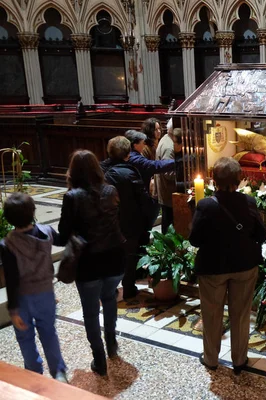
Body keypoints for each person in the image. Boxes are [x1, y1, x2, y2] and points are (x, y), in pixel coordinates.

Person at [189, 157, 266, 374]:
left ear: (214, 180)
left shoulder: (205, 205)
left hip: (212, 268)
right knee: (241, 314)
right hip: (244, 265)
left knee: (212, 315)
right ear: (239, 179)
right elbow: (262, 234)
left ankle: (211, 360)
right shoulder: (248, 202)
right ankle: (239, 360)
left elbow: (194, 239)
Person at [58, 150, 126, 376]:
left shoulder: (72, 197)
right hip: (115, 257)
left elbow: (63, 233)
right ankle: (112, 345)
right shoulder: (110, 190)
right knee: (109, 299)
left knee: (89, 311)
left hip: (88, 261)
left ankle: (99, 359)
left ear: (73, 171)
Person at [0, 193, 68, 383]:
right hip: (46, 294)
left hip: (22, 299)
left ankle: (34, 373)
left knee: (25, 338)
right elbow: (63, 239)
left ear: (8, 218)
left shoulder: (7, 245)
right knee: (49, 333)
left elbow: (12, 281)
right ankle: (59, 372)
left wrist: (13, 309)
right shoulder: (46, 232)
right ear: (33, 213)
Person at [101, 136, 156, 299]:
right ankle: (129, 287)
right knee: (130, 256)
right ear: (127, 155)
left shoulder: (100, 170)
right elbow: (143, 199)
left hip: (109, 221)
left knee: (112, 254)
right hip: (129, 221)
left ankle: (110, 287)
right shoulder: (129, 173)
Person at [156, 121, 183, 234]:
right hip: (169, 193)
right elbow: (168, 174)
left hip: (168, 193)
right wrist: (185, 174)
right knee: (169, 225)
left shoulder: (167, 138)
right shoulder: (169, 147)